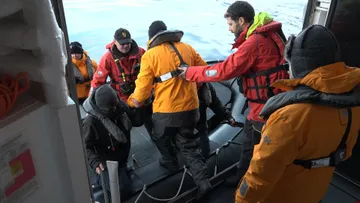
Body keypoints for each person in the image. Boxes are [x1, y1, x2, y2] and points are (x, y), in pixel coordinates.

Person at [235, 25, 360, 203]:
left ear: (299, 64)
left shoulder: (288, 117)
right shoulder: (353, 105)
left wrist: (241, 200)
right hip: (315, 191)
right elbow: (346, 152)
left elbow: (260, 175)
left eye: (289, 63)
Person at [178, 1, 289, 182]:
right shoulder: (268, 35)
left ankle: (246, 184)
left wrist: (190, 73)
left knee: (254, 146)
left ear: (241, 20)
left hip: (263, 109)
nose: (229, 29)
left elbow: (224, 71)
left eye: (230, 24)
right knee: (250, 142)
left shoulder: (254, 42)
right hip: (273, 102)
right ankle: (243, 177)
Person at [127, 20, 211, 199]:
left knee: (159, 136)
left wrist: (132, 102)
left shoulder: (150, 56)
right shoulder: (187, 47)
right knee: (187, 143)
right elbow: (203, 70)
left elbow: (141, 93)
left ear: (151, 37)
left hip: (166, 111)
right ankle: (203, 181)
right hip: (191, 108)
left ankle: (169, 162)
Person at [90, 28, 152, 133]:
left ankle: (155, 136)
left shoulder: (141, 53)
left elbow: (152, 71)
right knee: (124, 126)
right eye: (122, 43)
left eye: (128, 42)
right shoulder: (107, 58)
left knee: (149, 118)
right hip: (121, 100)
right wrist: (91, 103)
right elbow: (98, 81)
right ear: (115, 42)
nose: (126, 46)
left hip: (141, 94)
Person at [82, 84, 133, 199]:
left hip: (121, 157)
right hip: (106, 163)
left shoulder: (120, 108)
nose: (114, 110)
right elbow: (84, 146)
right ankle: (101, 180)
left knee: (125, 185)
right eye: (111, 109)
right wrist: (95, 161)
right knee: (122, 191)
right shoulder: (90, 122)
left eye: (115, 107)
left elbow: (136, 120)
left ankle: (122, 171)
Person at [197, 82, 235, 157]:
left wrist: (228, 116)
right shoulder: (180, 88)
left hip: (200, 125)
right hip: (182, 125)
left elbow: (216, 104)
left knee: (204, 149)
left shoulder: (206, 87)